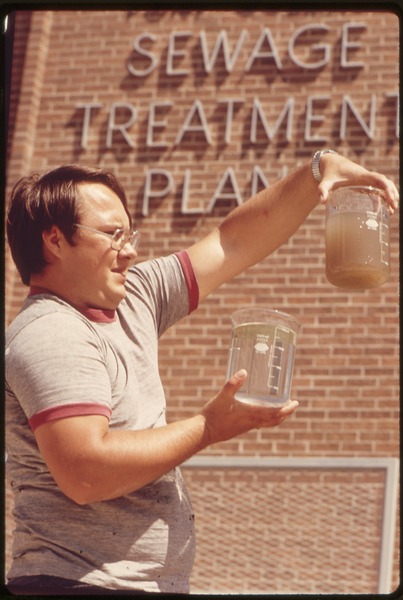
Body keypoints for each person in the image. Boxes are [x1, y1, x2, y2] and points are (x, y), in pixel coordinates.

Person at [5, 152, 399, 596]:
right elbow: (86, 473)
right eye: (113, 235)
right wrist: (208, 427)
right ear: (55, 240)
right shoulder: (51, 333)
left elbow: (232, 242)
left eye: (129, 234)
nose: (130, 250)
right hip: (76, 583)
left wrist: (315, 174)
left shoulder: (135, 296)